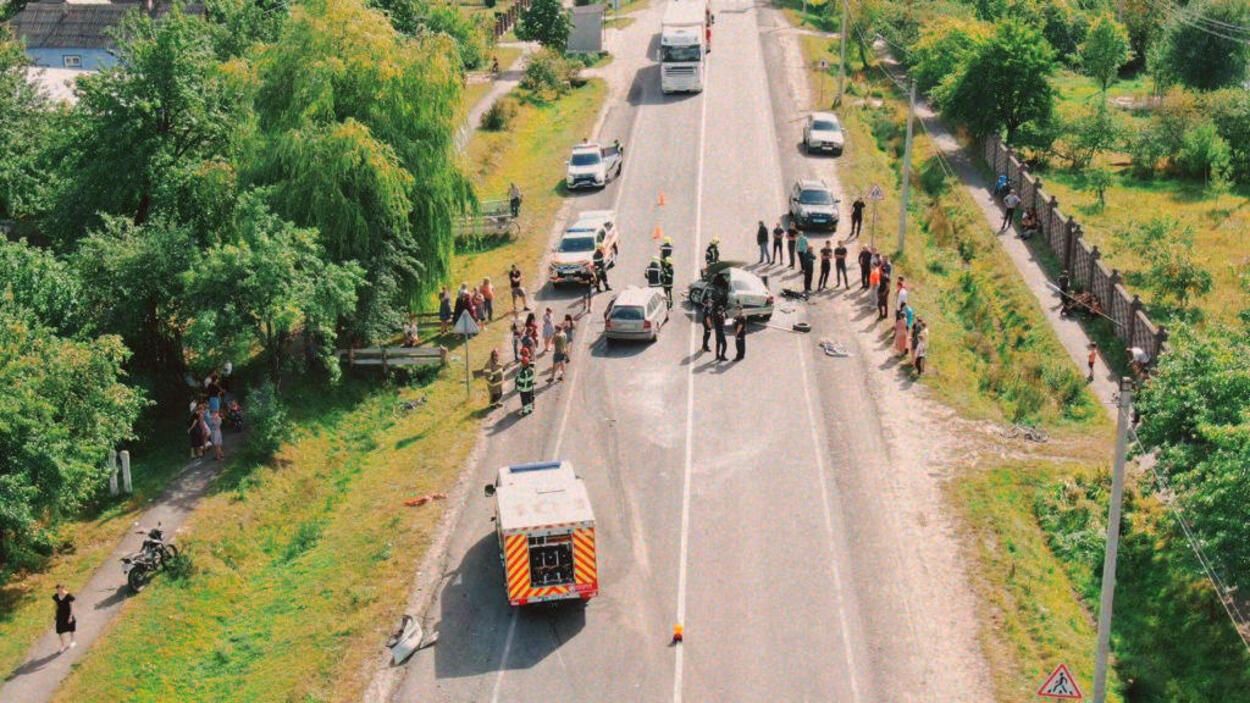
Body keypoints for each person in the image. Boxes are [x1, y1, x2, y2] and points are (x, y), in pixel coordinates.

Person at [53, 584, 75, 653]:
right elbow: (56, 605)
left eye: (59, 589)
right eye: (57, 589)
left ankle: (72, 641)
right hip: (60, 615)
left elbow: (71, 607)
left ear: (63, 588)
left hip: (68, 614)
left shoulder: (68, 596)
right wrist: (55, 614)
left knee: (71, 628)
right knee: (59, 630)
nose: (58, 591)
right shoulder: (56, 596)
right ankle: (63, 645)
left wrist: (70, 616)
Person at [516, 351, 535, 416]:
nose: (521, 364)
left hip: (524, 389)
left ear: (524, 364)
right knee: (529, 399)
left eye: (522, 363)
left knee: (524, 400)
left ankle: (525, 411)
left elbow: (520, 382)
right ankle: (530, 409)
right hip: (530, 388)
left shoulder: (522, 373)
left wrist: (517, 382)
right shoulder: (531, 370)